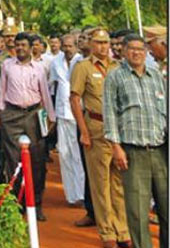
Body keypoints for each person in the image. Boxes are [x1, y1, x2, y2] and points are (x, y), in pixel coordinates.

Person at [103, 34, 168, 248]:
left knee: (166, 208)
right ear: (123, 51)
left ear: (146, 52)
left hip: (160, 151)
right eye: (132, 49)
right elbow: (110, 113)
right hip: (133, 152)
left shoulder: (156, 75)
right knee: (138, 212)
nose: (137, 53)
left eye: (141, 49)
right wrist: (116, 147)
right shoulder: (115, 77)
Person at [70, 29, 130, 248]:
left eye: (106, 43)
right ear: (91, 44)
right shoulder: (82, 67)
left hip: (119, 131)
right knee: (100, 184)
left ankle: (122, 230)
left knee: (118, 184)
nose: (103, 47)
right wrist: (83, 131)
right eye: (98, 42)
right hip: (96, 128)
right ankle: (107, 233)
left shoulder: (119, 67)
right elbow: (75, 99)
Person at [0, 32, 56, 221]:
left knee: (37, 161)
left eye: (24, 45)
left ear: (31, 48)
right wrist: (0, 114)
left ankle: (36, 204)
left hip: (33, 115)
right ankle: (17, 203)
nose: (20, 48)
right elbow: (2, 90)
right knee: (13, 162)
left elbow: (45, 93)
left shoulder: (39, 68)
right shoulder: (7, 66)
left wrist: (50, 117)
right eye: (17, 45)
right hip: (11, 116)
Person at [48, 34, 85, 206]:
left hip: (80, 114)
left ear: (76, 46)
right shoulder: (56, 62)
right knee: (64, 153)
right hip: (62, 113)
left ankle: (83, 194)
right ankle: (71, 195)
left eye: (71, 46)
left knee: (79, 155)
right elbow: (51, 86)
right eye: (65, 46)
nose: (68, 49)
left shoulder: (82, 62)